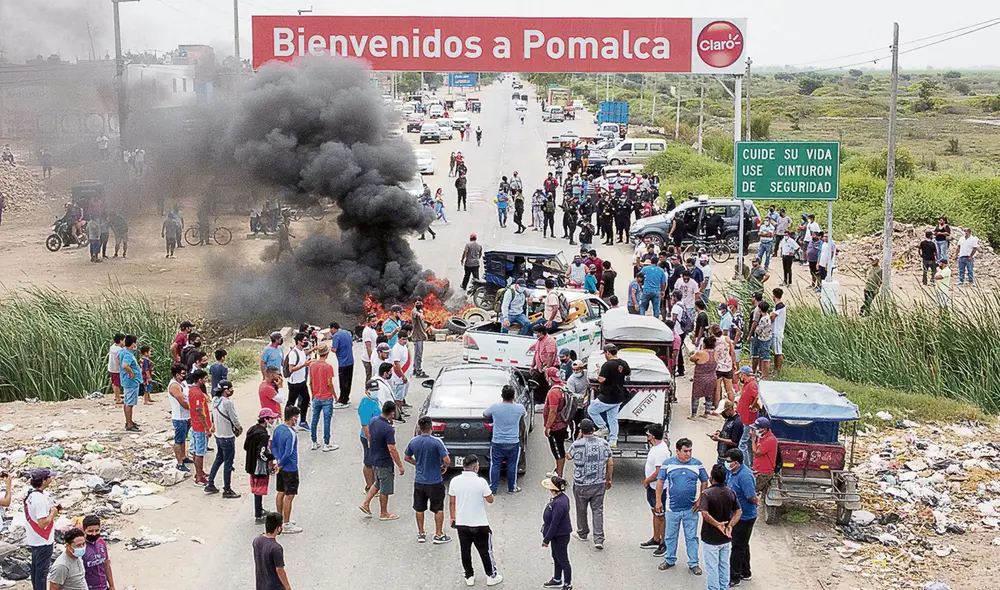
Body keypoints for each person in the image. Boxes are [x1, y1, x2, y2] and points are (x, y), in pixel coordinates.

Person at [655, 438, 709, 575]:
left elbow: (705, 482)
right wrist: (658, 501)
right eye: (685, 451)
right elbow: (660, 482)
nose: (688, 454)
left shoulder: (697, 464)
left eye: (690, 451)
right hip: (672, 508)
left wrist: (700, 500)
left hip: (691, 509)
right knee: (670, 535)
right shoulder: (668, 464)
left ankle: (693, 563)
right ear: (677, 451)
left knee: (692, 537)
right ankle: (669, 559)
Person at [449, 454, 502, 586]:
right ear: (476, 467)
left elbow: (451, 502)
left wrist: (453, 517)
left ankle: (469, 576)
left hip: (462, 523)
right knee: (485, 551)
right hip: (480, 523)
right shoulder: (481, 482)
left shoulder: (454, 481)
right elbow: (490, 499)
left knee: (465, 550)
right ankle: (491, 575)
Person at [404, 416, 452, 544]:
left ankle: (421, 533)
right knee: (438, 508)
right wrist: (443, 467)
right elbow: (447, 460)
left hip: (420, 481)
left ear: (419, 427)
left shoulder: (413, 442)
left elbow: (407, 457)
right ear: (431, 427)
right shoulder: (437, 442)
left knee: (419, 508)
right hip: (435, 481)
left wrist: (417, 463)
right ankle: (438, 534)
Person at [568, 418, 613, 551]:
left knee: (581, 509)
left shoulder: (577, 445)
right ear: (593, 429)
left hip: (581, 483)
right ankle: (598, 538)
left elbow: (568, 456)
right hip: (599, 483)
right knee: (598, 510)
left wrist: (577, 439)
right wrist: (608, 479)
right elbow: (610, 462)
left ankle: (582, 532)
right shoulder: (603, 443)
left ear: (581, 430)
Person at [360, 401, 405, 520]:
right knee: (385, 487)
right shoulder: (388, 429)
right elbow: (392, 449)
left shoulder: (374, 420)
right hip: (384, 461)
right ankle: (384, 513)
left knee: (378, 483)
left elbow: (369, 434)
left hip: (374, 458)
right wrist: (400, 465)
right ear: (392, 413)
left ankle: (365, 503)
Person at [701, 464, 742, 590]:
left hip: (710, 538)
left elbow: (704, 513)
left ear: (711, 478)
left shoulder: (706, 493)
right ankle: (724, 587)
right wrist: (729, 525)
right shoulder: (731, 493)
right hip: (726, 537)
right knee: (724, 565)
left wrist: (717, 524)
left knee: (712, 567)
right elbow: (739, 511)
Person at [484, 385, 527, 494]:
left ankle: (493, 489)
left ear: (502, 395)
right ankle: (512, 488)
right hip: (513, 442)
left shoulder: (495, 407)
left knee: (495, 465)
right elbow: (524, 415)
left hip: (497, 441)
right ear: (513, 396)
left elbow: (484, 414)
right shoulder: (519, 408)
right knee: (512, 465)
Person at [725, 449, 759, 588]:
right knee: (743, 544)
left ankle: (735, 577)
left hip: (744, 516)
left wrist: (757, 501)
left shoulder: (744, 476)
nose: (726, 464)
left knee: (737, 547)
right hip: (736, 514)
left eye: (728, 461)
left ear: (736, 463)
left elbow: (751, 496)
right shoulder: (733, 472)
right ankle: (746, 572)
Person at [588, 344, 630, 448]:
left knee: (592, 410)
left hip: (607, 397)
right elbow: (628, 373)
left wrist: (598, 374)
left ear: (607, 353)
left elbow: (601, 379)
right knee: (613, 419)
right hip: (619, 397)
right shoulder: (623, 363)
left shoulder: (607, 365)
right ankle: (613, 441)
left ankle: (603, 428)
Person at [205, 380, 242, 498]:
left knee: (219, 458)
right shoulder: (227, 403)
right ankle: (227, 489)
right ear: (226, 390)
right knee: (228, 462)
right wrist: (239, 428)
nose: (231, 391)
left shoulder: (215, 401)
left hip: (219, 435)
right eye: (230, 389)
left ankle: (210, 482)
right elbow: (234, 418)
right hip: (227, 436)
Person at [640, 424, 673, 556]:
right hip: (653, 487)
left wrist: (647, 480)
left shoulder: (660, 451)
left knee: (660, 515)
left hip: (658, 488)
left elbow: (659, 472)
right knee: (655, 512)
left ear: (652, 437)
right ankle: (655, 538)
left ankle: (663, 542)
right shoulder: (657, 447)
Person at [270, 406, 303, 533]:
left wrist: (278, 461)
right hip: (290, 467)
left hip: (280, 465)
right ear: (294, 418)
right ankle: (286, 524)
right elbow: (288, 452)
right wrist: (282, 463)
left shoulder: (277, 429)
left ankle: (279, 519)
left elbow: (272, 446)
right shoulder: (291, 433)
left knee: (281, 492)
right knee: (289, 495)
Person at [26, 467, 59, 590]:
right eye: (49, 477)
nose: (51, 479)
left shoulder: (30, 494)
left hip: (34, 539)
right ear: (44, 480)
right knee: (41, 574)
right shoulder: (40, 499)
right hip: (43, 541)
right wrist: (53, 514)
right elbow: (42, 523)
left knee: (35, 571)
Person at [246, 408, 279, 523]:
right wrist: (272, 458)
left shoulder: (252, 429)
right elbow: (262, 453)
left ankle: (259, 509)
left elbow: (246, 446)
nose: (272, 421)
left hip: (250, 463)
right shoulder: (263, 435)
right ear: (265, 419)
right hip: (258, 467)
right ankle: (258, 515)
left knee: (255, 489)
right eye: (271, 418)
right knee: (259, 490)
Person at [541, 476, 574, 590]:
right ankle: (557, 578)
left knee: (563, 559)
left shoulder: (559, 504)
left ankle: (567, 584)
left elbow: (555, 523)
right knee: (556, 556)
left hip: (560, 536)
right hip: (557, 535)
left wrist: (546, 539)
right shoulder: (561, 498)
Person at [307, 343, 337, 452]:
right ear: (327, 354)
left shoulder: (312, 365)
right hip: (326, 397)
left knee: (314, 419)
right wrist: (335, 395)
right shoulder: (328, 367)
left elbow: (310, 382)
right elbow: (329, 383)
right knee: (326, 420)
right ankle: (326, 443)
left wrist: (313, 394)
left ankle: (314, 442)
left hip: (316, 396)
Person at [543, 366, 570, 479]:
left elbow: (553, 411)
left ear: (550, 378)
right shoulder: (562, 387)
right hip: (562, 424)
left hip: (556, 426)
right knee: (559, 449)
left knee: (558, 451)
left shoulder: (554, 392)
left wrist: (548, 426)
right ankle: (557, 471)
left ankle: (559, 476)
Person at [253, 512, 292, 590]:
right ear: (278, 529)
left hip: (261, 585)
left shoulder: (257, 540)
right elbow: (279, 570)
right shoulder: (276, 548)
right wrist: (288, 587)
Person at [187, 369, 213, 485]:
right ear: (199, 380)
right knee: (200, 452)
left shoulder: (192, 390)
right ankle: (199, 477)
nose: (206, 380)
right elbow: (199, 412)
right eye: (205, 378)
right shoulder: (197, 394)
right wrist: (207, 428)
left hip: (196, 425)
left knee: (196, 451)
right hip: (200, 427)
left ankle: (199, 472)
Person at [284, 332, 312, 432]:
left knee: (306, 399)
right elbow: (291, 369)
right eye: (304, 340)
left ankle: (303, 421)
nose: (306, 342)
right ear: (299, 342)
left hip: (301, 381)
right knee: (291, 403)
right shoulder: (293, 353)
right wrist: (304, 365)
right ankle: (287, 423)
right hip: (294, 383)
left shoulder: (301, 352)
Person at [81, 514, 115, 590]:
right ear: (84, 530)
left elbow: (106, 565)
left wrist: (112, 586)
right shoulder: (80, 547)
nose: (94, 534)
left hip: (103, 587)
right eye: (90, 531)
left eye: (97, 530)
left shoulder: (101, 542)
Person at [529, 319, 558, 405]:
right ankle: (538, 401)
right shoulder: (539, 341)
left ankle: (547, 402)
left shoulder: (550, 341)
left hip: (549, 367)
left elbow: (550, 355)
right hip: (540, 367)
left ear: (542, 332)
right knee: (535, 383)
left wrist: (548, 369)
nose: (536, 335)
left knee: (547, 385)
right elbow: (536, 353)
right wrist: (532, 366)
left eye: (537, 333)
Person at [689, 335, 718, 419]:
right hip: (712, 377)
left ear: (704, 344)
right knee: (709, 395)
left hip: (700, 378)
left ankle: (693, 415)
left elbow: (691, 358)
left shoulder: (700, 353)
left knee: (696, 395)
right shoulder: (715, 353)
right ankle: (707, 413)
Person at [117, 335, 142, 432]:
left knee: (127, 402)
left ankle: (129, 421)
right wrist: (131, 372)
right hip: (131, 382)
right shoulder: (128, 354)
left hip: (127, 381)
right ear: (133, 344)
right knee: (130, 403)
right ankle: (129, 424)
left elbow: (118, 359)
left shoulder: (122, 351)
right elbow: (124, 365)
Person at [329, 321, 356, 405]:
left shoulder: (336, 336)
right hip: (350, 360)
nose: (330, 331)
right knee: (349, 380)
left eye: (330, 329)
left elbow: (334, 349)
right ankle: (347, 397)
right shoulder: (347, 333)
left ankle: (342, 400)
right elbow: (351, 344)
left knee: (343, 381)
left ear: (333, 328)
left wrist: (329, 347)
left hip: (343, 362)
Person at [735, 367, 758, 461]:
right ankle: (750, 462)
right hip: (744, 418)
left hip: (748, 420)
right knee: (748, 443)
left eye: (740, 375)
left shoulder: (752, 385)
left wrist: (753, 406)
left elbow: (757, 396)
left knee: (742, 444)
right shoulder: (747, 384)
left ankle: (745, 464)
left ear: (744, 375)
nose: (740, 377)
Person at [712, 400, 744, 465]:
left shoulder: (737, 423)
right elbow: (727, 432)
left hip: (729, 459)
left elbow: (734, 442)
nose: (723, 414)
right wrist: (719, 433)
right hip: (721, 456)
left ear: (730, 409)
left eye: (724, 412)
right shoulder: (729, 419)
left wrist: (719, 439)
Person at [564, 360, 588, 439]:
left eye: (577, 370)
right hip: (577, 405)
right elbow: (571, 394)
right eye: (574, 370)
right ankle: (575, 438)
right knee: (577, 423)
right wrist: (582, 396)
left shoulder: (586, 374)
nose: (575, 372)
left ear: (582, 369)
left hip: (586, 404)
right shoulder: (571, 380)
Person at [391, 329, 413, 414]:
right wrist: (402, 375)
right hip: (399, 376)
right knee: (398, 396)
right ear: (398, 338)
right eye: (403, 339)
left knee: (402, 394)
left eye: (406, 339)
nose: (404, 341)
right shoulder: (396, 348)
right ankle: (397, 413)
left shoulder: (404, 346)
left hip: (406, 374)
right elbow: (397, 363)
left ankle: (400, 410)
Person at [750, 301, 772, 379]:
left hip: (764, 339)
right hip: (767, 338)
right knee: (764, 356)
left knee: (765, 357)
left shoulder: (763, 319)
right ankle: (764, 373)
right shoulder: (768, 316)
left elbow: (758, 330)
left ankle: (765, 374)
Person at [408, 303, 430, 379]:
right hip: (417, 337)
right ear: (414, 303)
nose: (419, 304)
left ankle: (415, 369)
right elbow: (415, 313)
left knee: (417, 354)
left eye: (420, 302)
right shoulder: (414, 311)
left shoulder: (420, 311)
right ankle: (418, 371)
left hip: (420, 336)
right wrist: (420, 315)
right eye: (417, 302)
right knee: (418, 354)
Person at [770, 288, 787, 374]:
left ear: (774, 296)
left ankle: (778, 369)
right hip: (776, 331)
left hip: (777, 331)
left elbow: (772, 317)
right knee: (776, 352)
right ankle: (775, 368)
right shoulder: (777, 306)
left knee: (778, 352)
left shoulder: (779, 306)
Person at [360, 313, 379, 382]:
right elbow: (369, 348)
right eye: (373, 321)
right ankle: (368, 391)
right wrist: (372, 361)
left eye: (375, 321)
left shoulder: (372, 329)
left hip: (373, 357)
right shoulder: (367, 332)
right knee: (370, 377)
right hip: (368, 359)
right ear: (368, 321)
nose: (375, 323)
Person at [106, 333, 124, 405]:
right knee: (117, 384)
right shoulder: (120, 350)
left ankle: (116, 395)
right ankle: (118, 398)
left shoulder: (112, 347)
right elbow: (120, 360)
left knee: (114, 382)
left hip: (111, 368)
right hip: (116, 369)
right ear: (121, 341)